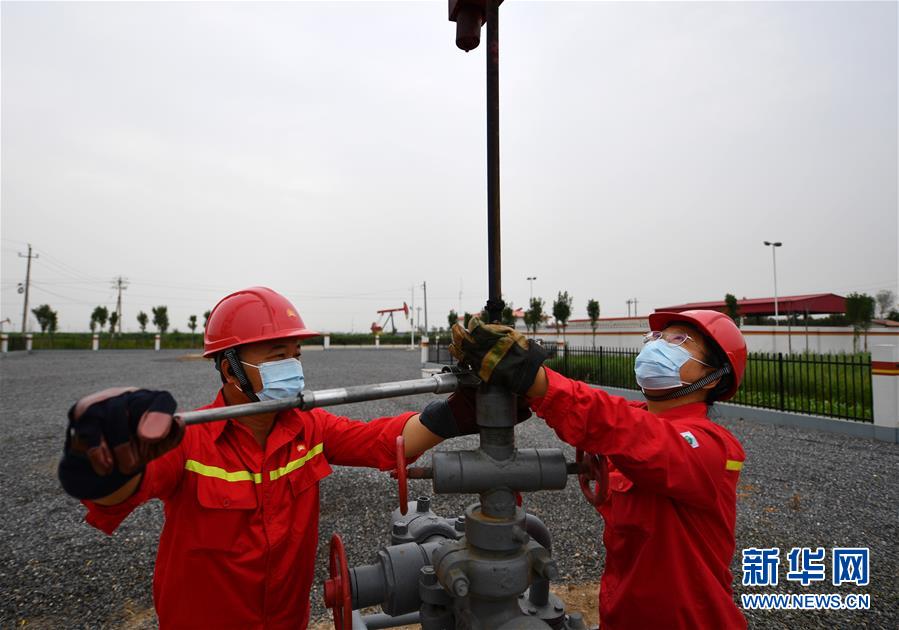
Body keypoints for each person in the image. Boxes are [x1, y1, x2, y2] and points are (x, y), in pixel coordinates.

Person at [58, 286, 493, 629]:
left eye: (295, 355)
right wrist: (108, 464)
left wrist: (459, 411)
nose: (293, 367)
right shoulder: (189, 441)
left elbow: (382, 440)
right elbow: (118, 492)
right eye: (277, 356)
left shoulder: (309, 428)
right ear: (230, 369)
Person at [451, 309, 748, 629]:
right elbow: (602, 411)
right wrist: (521, 386)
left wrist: (535, 380)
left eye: (678, 340)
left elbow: (629, 430)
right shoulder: (638, 418)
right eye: (655, 337)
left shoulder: (713, 447)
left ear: (713, 376)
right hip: (623, 615)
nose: (657, 345)